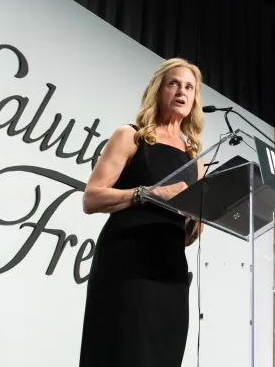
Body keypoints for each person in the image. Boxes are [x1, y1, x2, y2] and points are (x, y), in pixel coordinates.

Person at [79, 58, 205, 367]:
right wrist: (149, 194)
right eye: (173, 83)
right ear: (157, 90)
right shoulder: (132, 136)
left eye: (189, 87)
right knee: (124, 353)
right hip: (127, 261)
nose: (181, 92)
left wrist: (201, 219)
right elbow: (91, 198)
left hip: (170, 272)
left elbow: (188, 237)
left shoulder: (195, 161)